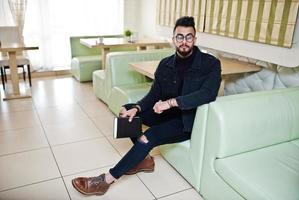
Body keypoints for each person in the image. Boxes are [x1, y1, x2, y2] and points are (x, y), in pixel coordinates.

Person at [72, 16, 221, 196]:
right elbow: (154, 95)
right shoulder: (165, 64)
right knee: (128, 112)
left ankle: (106, 180)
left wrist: (171, 103)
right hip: (166, 113)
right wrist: (137, 107)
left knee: (149, 136)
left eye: (189, 37)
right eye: (179, 37)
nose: (184, 41)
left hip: (187, 120)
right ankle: (145, 161)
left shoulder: (210, 64)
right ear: (173, 39)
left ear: (195, 39)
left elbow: (207, 94)